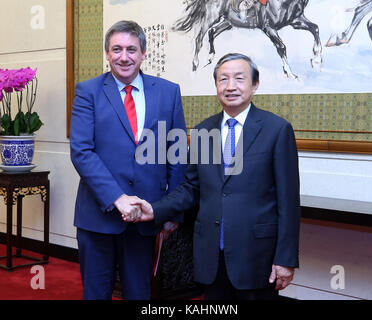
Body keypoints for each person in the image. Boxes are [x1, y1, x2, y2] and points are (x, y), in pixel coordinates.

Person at [131, 53, 301, 300]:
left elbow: (288, 202)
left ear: (255, 85)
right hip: (210, 255)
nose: (230, 86)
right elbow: (191, 187)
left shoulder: (277, 130)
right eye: (223, 80)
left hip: (256, 255)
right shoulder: (203, 130)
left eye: (239, 79)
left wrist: (285, 259)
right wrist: (155, 210)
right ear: (217, 87)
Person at [70, 20, 186, 300]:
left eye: (131, 49)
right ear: (107, 53)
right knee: (96, 293)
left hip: (146, 216)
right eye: (117, 49)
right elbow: (82, 151)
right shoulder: (88, 92)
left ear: (144, 53)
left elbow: (177, 152)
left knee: (139, 293)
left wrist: (171, 210)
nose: (124, 56)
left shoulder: (168, 92)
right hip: (98, 215)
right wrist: (116, 197)